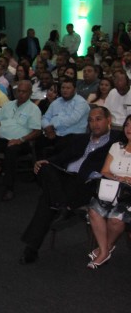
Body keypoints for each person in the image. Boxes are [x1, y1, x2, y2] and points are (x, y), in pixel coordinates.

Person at [19, 106, 119, 264]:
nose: (95, 124)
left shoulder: (117, 141)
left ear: (109, 121)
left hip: (88, 183)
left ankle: (32, 248)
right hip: (66, 178)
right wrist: (47, 162)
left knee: (46, 199)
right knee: (44, 167)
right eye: (91, 120)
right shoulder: (81, 139)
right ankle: (62, 205)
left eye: (99, 119)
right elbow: (62, 156)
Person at [86, 114, 131, 269]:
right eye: (127, 125)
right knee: (94, 211)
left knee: (116, 219)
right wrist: (118, 178)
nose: (129, 129)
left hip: (129, 194)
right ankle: (105, 251)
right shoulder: (117, 146)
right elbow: (105, 171)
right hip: (113, 188)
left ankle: (105, 247)